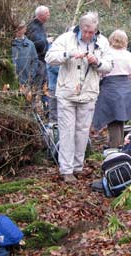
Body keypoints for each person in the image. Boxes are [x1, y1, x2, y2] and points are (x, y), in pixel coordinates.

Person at [45, 12, 113, 183]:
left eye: (91, 32)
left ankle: (77, 166)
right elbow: (49, 57)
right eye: (85, 31)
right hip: (66, 92)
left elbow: (109, 66)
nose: (88, 35)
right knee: (67, 130)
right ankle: (66, 169)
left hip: (89, 92)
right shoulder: (66, 38)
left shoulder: (102, 42)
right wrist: (68, 54)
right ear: (80, 27)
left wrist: (96, 62)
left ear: (96, 30)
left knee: (82, 131)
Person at [92, 30, 131, 149]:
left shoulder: (106, 54)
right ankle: (118, 146)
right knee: (119, 118)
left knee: (112, 118)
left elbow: (101, 72)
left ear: (111, 39)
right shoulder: (129, 55)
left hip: (110, 87)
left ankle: (115, 148)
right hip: (124, 87)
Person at [26, 5, 51, 91]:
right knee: (36, 87)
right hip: (36, 62)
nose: (49, 15)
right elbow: (36, 44)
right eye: (47, 13)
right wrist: (47, 41)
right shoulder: (34, 26)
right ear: (41, 15)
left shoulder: (39, 25)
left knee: (40, 86)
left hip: (40, 61)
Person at [11, 21, 38, 93]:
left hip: (26, 81)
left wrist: (31, 75)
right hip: (11, 80)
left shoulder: (30, 44)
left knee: (24, 102)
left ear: (25, 29)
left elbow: (35, 61)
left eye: (21, 28)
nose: (19, 30)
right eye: (17, 28)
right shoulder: (9, 44)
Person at [46, 37, 60, 124]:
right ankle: (53, 134)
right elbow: (52, 66)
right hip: (54, 86)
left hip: (66, 87)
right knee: (54, 112)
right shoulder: (53, 49)